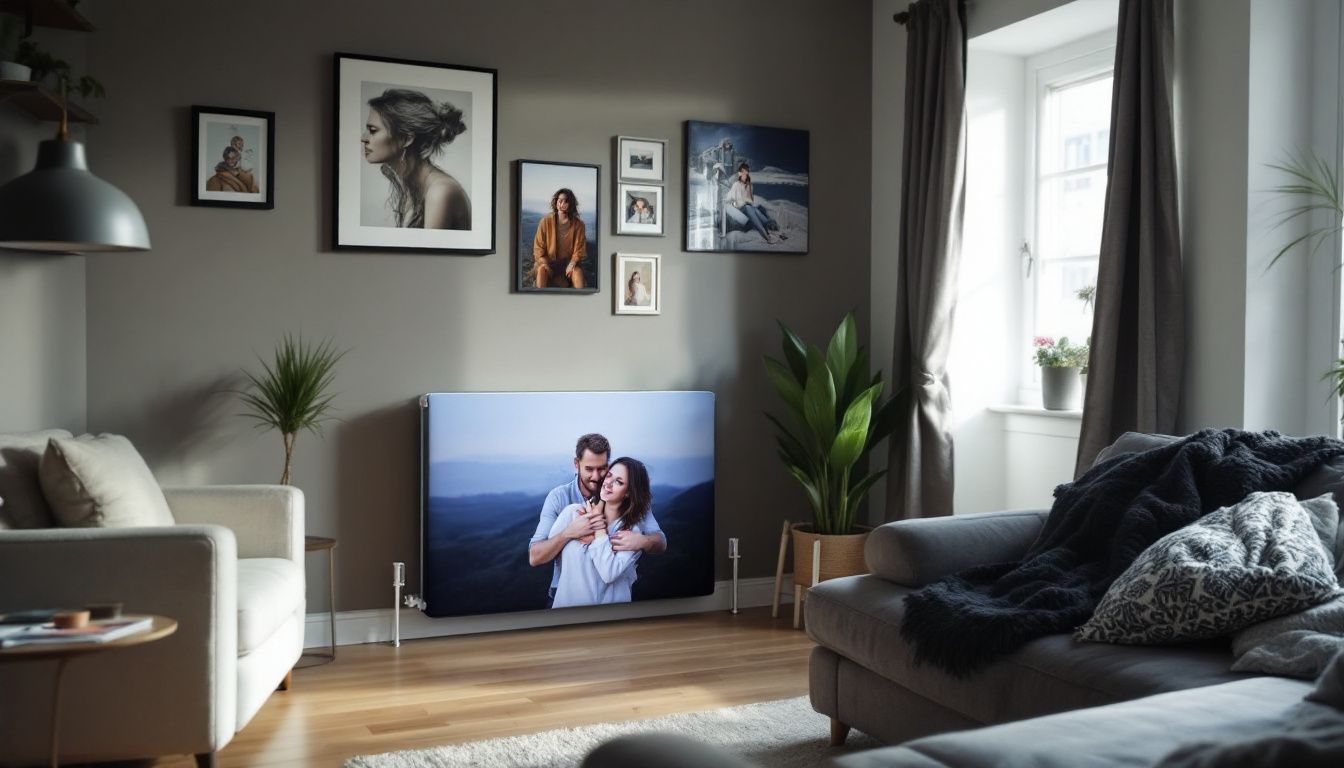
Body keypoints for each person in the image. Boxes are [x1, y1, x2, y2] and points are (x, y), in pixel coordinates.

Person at [528, 434, 667, 607]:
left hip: (610, 599)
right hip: (566, 593)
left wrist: (643, 541)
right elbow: (535, 556)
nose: (597, 476)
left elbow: (660, 541)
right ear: (576, 465)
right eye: (589, 469)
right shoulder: (562, 501)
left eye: (602, 469)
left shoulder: (632, 514)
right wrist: (569, 533)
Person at [549, 457, 653, 608]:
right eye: (609, 475)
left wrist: (599, 530)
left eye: (619, 482)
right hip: (565, 612)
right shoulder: (572, 513)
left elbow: (608, 573)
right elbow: (551, 551)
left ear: (628, 493)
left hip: (607, 618)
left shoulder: (631, 532)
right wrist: (572, 533)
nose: (608, 483)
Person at [362, 88, 471, 230]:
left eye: (373, 131)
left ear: (406, 138)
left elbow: (426, 252)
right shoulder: (412, 187)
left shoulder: (440, 191)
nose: (363, 138)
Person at [532, 188, 588, 288]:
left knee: (578, 272)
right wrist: (545, 264)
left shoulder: (579, 225)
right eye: (560, 200)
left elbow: (579, 249)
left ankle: (580, 301)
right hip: (548, 262)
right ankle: (539, 300)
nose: (562, 204)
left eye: (566, 201)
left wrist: (573, 263)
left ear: (571, 204)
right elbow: (538, 248)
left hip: (568, 262)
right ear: (556, 201)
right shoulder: (545, 221)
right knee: (541, 270)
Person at [724, 161, 783, 245]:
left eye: (746, 173)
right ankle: (767, 236)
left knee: (755, 210)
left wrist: (748, 188)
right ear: (739, 173)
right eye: (743, 173)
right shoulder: (736, 185)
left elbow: (751, 200)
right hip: (739, 208)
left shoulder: (749, 185)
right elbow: (728, 197)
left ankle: (772, 230)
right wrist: (728, 201)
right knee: (752, 209)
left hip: (748, 206)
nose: (745, 175)